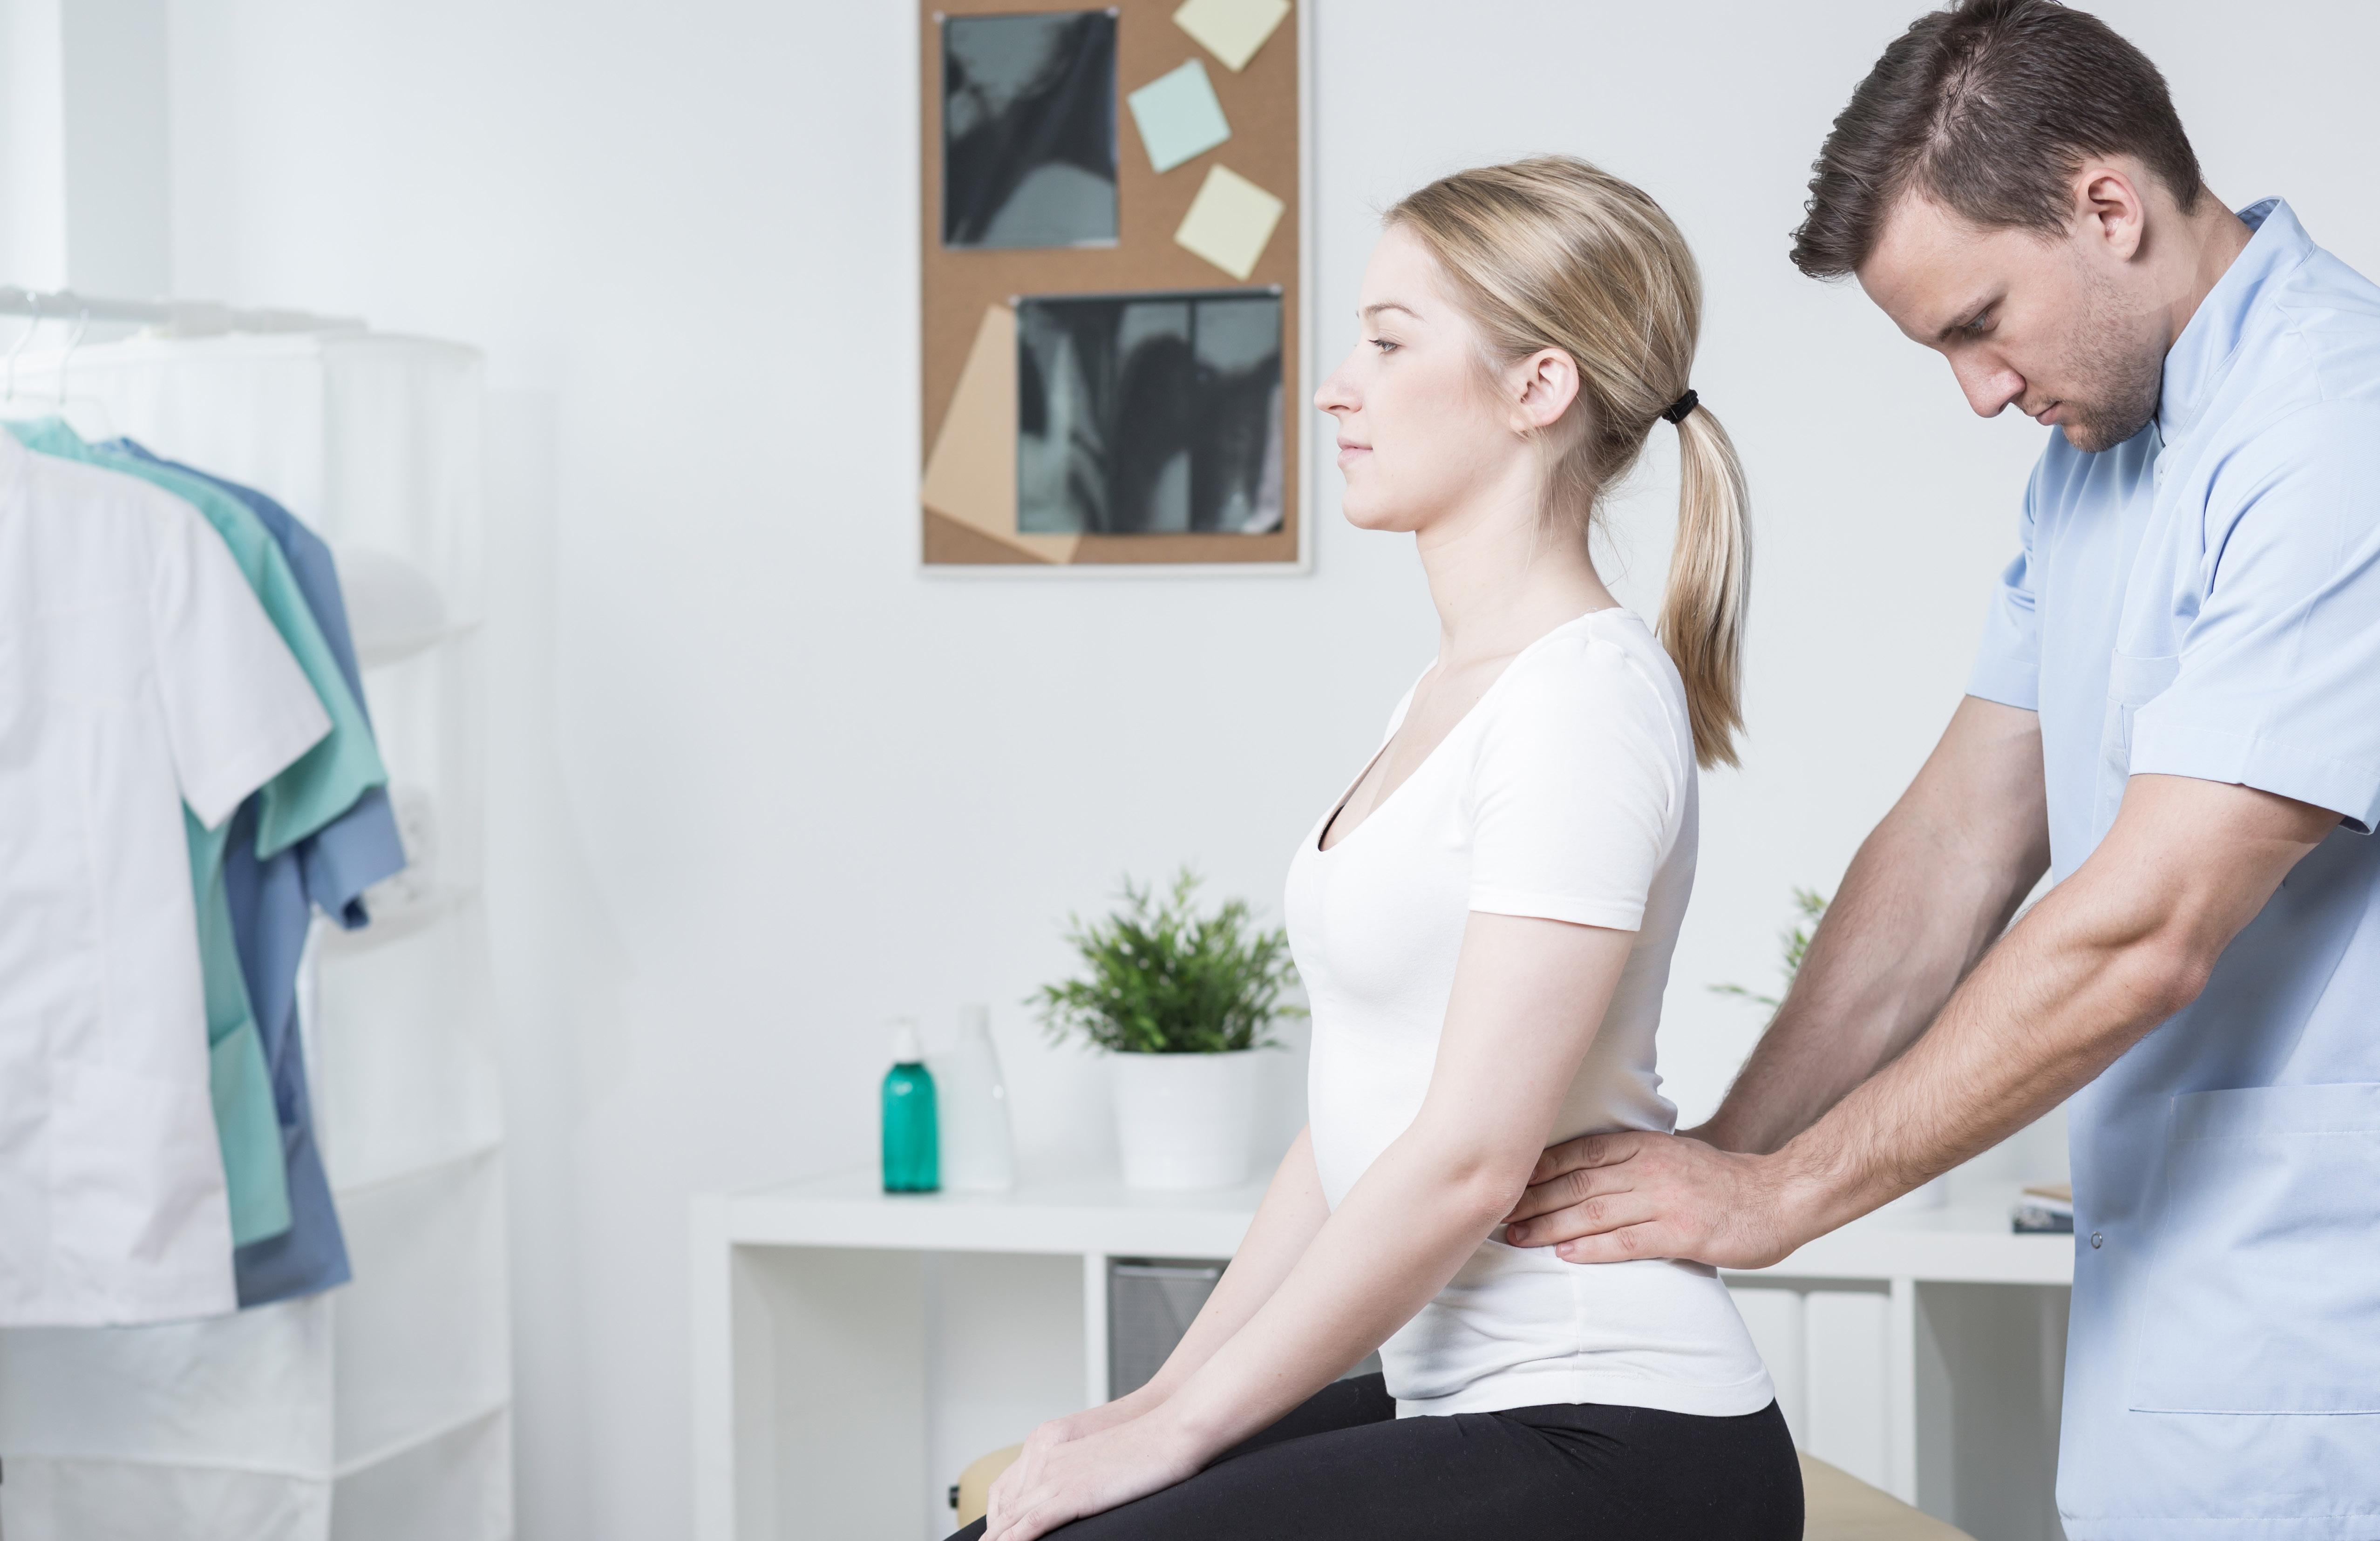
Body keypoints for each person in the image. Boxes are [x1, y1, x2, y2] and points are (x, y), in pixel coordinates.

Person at [1504, 3, 2380, 1535]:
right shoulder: (2097, 464)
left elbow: (2148, 926)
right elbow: (1954, 845)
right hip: (2184, 1349)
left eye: (1982, 323)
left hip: (2325, 1355)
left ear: (2108, 207)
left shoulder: (2336, 431)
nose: (1979, 392)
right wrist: (1721, 1159)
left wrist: (1785, 1198)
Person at [958, 157, 1801, 1541]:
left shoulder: (1583, 701)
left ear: (1538, 388)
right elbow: (1355, 1122)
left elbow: (1468, 1158)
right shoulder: (1448, 693)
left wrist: (1181, 1435)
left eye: (1390, 344)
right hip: (1470, 1401)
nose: (1336, 389)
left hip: (1619, 1436)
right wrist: (1159, 1401)